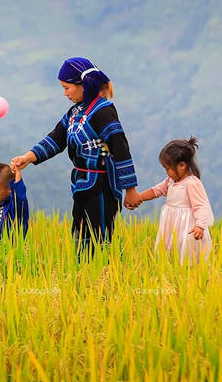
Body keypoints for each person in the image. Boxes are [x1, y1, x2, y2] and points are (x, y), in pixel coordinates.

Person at [10, 57, 139, 254]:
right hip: (81, 184)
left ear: (83, 85)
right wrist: (28, 157)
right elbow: (56, 138)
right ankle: (83, 277)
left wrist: (130, 189)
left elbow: (120, 149)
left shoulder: (103, 111)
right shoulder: (75, 112)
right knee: (80, 236)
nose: (65, 93)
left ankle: (102, 278)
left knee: (99, 238)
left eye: (67, 87)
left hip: (102, 186)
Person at [132, 137, 213, 263]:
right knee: (171, 255)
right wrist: (139, 198)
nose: (166, 172)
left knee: (185, 255)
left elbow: (200, 206)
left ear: (182, 165)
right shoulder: (171, 181)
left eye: (168, 168)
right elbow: (156, 190)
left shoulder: (191, 183)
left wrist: (200, 226)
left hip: (186, 228)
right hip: (172, 225)